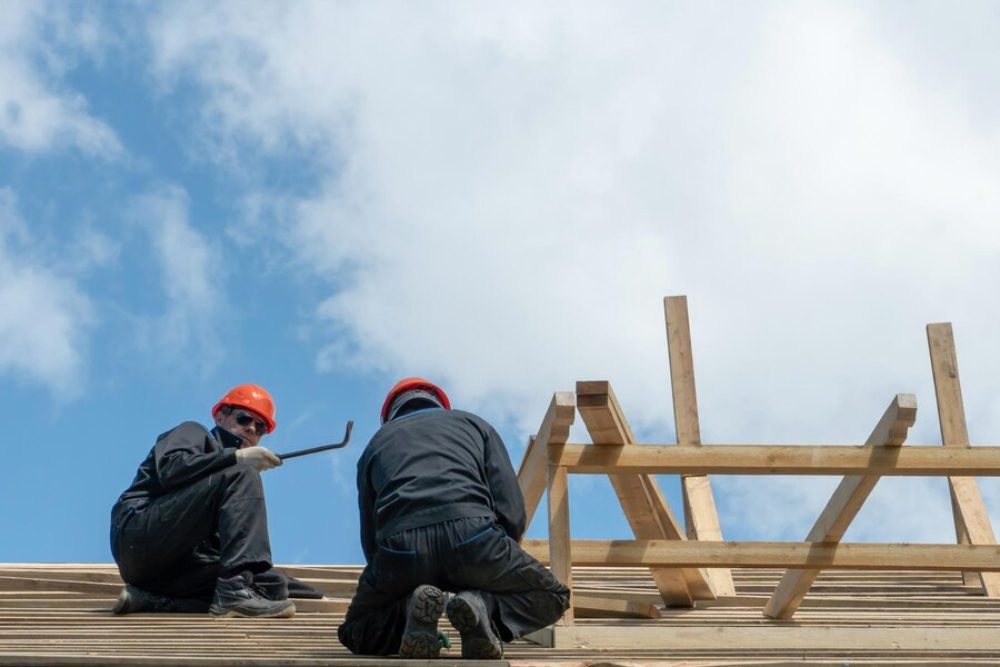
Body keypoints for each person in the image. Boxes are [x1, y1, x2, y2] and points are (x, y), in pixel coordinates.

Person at [338, 377, 570, 659]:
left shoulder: (375, 446)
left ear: (389, 415)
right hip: (475, 535)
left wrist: (391, 576)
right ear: (441, 406)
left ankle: (412, 610)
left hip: (401, 545)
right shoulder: (475, 425)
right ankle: (482, 609)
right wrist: (492, 561)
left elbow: (371, 534)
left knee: (357, 629)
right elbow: (510, 505)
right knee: (553, 596)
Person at [110, 384, 316, 618]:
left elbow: (234, 555)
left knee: (271, 586)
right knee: (244, 474)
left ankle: (154, 601)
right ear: (220, 416)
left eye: (259, 427)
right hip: (139, 533)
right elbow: (171, 469)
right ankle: (233, 594)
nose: (251, 429)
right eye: (244, 419)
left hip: (169, 570)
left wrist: (319, 594)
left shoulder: (226, 487)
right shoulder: (194, 433)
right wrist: (236, 457)